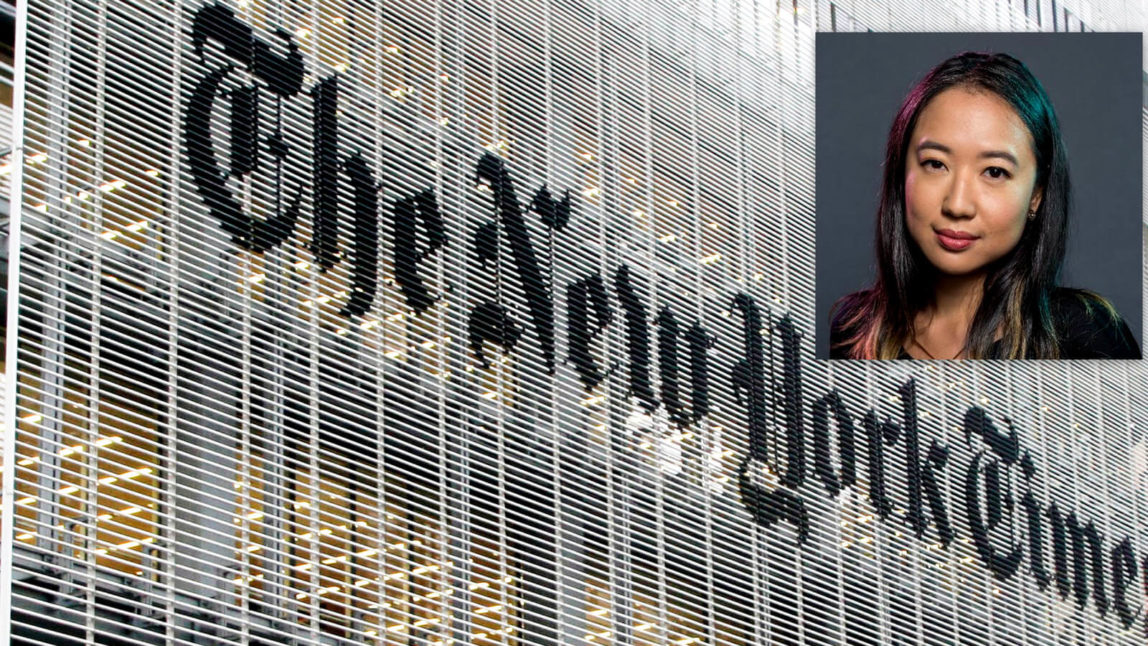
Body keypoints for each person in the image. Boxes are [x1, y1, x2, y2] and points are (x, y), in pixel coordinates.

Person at [830, 51, 1140, 360]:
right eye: (936, 164)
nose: (957, 205)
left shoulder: (1086, 338)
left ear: (1036, 194)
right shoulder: (853, 331)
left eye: (994, 172)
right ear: (902, 172)